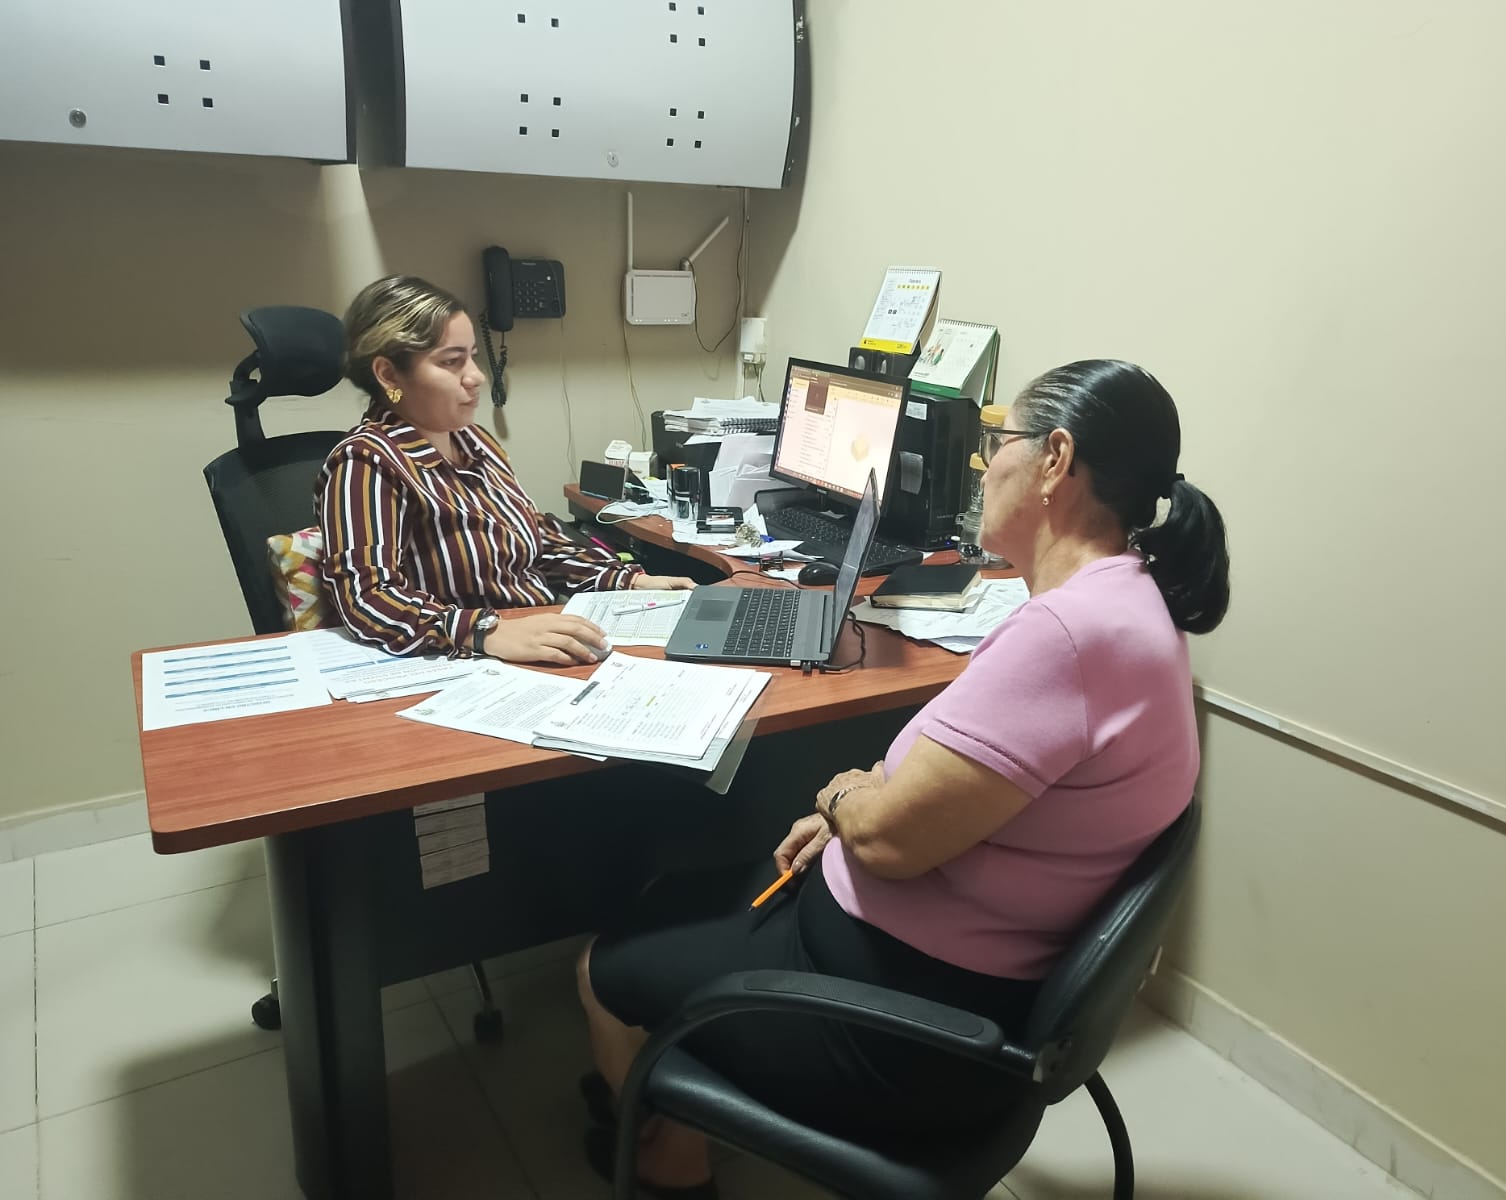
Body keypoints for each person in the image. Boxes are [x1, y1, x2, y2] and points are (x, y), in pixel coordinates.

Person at [573, 359, 1232, 1199]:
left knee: (603, 964)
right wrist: (855, 811)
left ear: (1056, 460)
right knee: (686, 901)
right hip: (950, 973)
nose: (983, 465)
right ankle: (677, 1117)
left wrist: (844, 796)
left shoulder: (1068, 635)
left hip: (909, 1030)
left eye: (998, 443)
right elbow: (970, 782)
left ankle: (670, 1164)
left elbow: (888, 843)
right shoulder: (1129, 601)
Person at [316, 274, 694, 662]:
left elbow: (536, 543)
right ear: (389, 374)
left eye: (472, 356)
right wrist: (484, 631)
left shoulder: (473, 440)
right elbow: (367, 598)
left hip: (532, 631)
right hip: (464, 660)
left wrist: (628, 581)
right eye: (451, 362)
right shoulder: (366, 461)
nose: (476, 376)